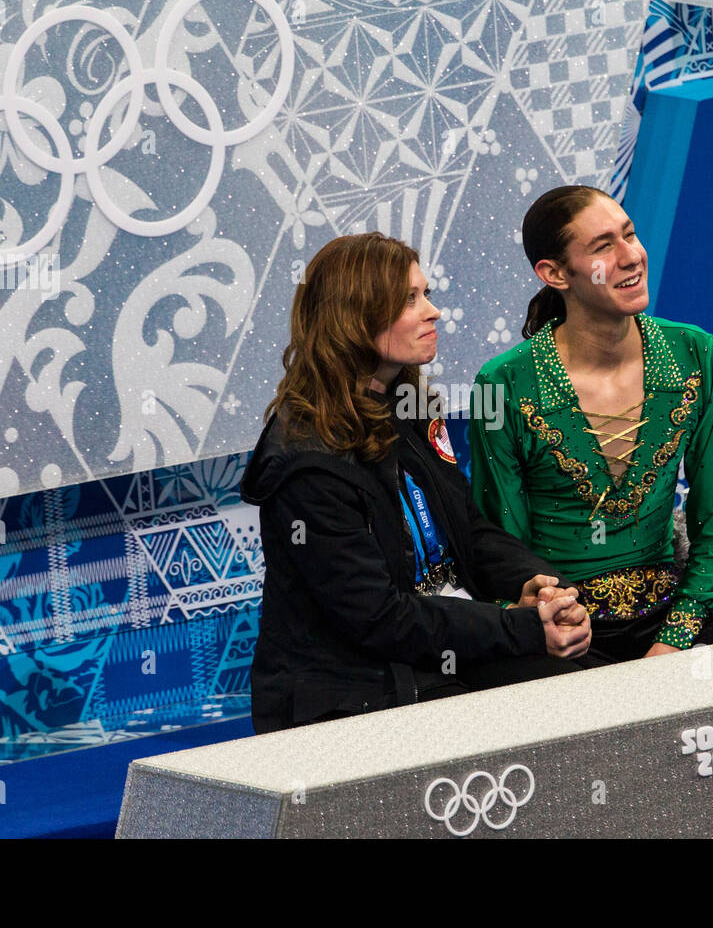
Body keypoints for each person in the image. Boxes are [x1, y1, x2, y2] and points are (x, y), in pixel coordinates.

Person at [242, 232, 597, 734]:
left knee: (597, 684)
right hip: (356, 697)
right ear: (353, 319)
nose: (433, 312)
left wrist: (538, 586)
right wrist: (520, 629)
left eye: (426, 294)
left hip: (430, 658)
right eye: (411, 299)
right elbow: (380, 618)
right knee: (569, 706)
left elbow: (467, 530)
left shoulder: (405, 404)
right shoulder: (307, 459)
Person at [469, 185, 713, 662]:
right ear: (554, 273)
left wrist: (674, 639)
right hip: (562, 639)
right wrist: (546, 628)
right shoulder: (503, 384)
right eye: (603, 246)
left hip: (674, 623)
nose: (631, 256)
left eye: (630, 235)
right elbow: (500, 546)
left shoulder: (695, 353)